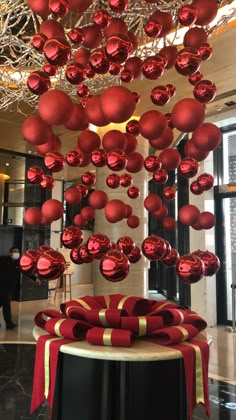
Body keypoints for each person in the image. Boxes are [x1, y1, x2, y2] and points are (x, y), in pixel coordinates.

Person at [0, 246, 21, 329]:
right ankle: (9, 324)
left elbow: (25, 271)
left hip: (9, 288)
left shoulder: (18, 263)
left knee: (4, 304)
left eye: (18, 251)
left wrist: (35, 278)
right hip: (2, 286)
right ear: (10, 253)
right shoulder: (3, 260)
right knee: (6, 305)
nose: (16, 253)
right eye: (14, 251)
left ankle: (9, 323)